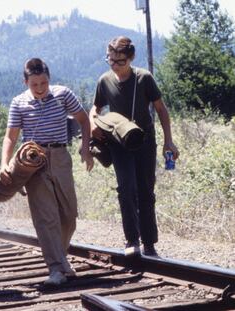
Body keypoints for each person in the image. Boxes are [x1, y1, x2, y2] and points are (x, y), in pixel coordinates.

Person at [0, 58, 93, 286]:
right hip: (34, 161)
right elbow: (10, 136)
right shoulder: (18, 103)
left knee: (69, 215)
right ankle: (56, 268)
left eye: (43, 83)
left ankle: (60, 258)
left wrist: (86, 148)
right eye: (34, 85)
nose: (40, 89)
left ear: (49, 79)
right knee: (46, 218)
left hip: (61, 157)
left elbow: (83, 120)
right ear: (26, 82)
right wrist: (4, 163)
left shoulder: (63, 95)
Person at [89, 36, 179, 257]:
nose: (116, 66)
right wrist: (92, 124)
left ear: (131, 58)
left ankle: (149, 244)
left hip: (145, 142)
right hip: (119, 144)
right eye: (111, 60)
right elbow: (95, 108)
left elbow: (161, 109)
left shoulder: (144, 78)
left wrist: (169, 141)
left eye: (121, 61)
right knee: (126, 189)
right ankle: (132, 241)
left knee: (146, 191)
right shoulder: (104, 81)